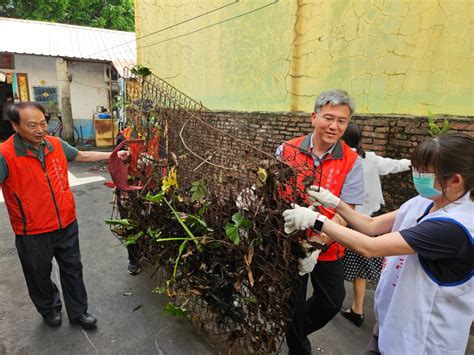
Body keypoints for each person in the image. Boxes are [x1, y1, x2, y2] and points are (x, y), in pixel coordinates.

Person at [282, 132, 474, 354]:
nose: (416, 176)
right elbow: (371, 225)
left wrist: (315, 220)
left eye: (423, 171)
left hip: (422, 341)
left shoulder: (456, 227)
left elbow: (370, 247)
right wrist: (335, 202)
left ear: (455, 180)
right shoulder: (424, 202)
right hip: (391, 325)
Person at [0, 102, 129, 329]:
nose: (41, 129)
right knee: (38, 276)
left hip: (66, 222)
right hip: (32, 231)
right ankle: (49, 309)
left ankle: (79, 312)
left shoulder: (55, 144)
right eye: (32, 125)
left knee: (73, 269)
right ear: (15, 126)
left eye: (43, 123)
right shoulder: (5, 155)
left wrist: (115, 154)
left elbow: (81, 155)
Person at [277, 90, 364, 354]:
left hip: (328, 247)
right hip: (288, 242)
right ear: (314, 117)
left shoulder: (351, 161)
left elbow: (346, 210)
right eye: (329, 118)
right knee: (293, 303)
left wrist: (317, 244)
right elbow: (272, 191)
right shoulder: (286, 150)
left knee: (331, 302)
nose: (334, 126)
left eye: (342, 121)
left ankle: (294, 331)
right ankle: (298, 345)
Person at [340, 123, 411, 327]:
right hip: (370, 218)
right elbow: (393, 165)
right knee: (362, 267)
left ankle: (354, 308)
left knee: (343, 261)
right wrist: (412, 163)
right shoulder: (369, 158)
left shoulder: (342, 159)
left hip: (349, 219)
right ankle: (358, 308)